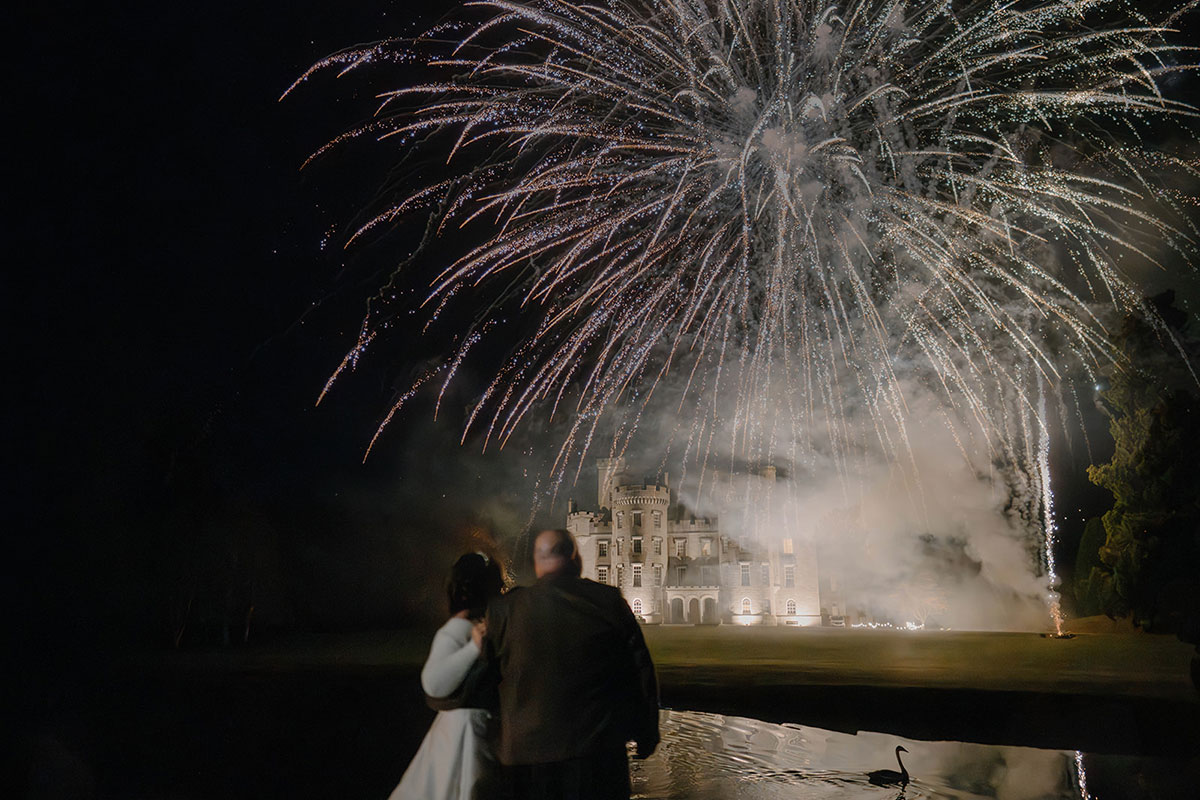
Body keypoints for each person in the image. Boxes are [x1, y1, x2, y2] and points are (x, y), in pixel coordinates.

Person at [484, 529, 660, 800]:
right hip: (597, 755)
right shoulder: (609, 601)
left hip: (525, 758)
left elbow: (485, 682)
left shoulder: (504, 609)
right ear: (575, 558)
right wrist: (646, 731)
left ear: (537, 561)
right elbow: (639, 671)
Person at [389, 552, 504, 800]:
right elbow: (434, 683)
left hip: (474, 730)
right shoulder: (458, 630)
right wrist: (473, 649)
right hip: (461, 735)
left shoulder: (478, 626)